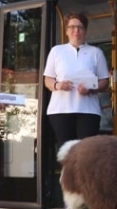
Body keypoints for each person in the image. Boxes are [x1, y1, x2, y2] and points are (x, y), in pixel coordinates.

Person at [43, 13, 110, 153]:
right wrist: (57, 85)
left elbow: (104, 81)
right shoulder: (57, 51)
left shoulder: (96, 53)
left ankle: (85, 176)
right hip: (60, 110)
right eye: (72, 27)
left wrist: (91, 89)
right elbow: (48, 80)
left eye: (80, 27)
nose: (76, 31)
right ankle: (67, 175)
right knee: (66, 151)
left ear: (85, 30)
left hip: (88, 111)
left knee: (87, 152)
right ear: (67, 31)